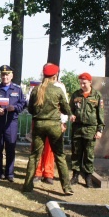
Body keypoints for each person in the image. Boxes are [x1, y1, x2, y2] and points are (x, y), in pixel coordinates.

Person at [22, 63, 74, 195]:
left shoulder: (36, 89)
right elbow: (66, 109)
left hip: (39, 125)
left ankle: (27, 186)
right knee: (60, 156)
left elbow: (30, 109)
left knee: (34, 156)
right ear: (55, 75)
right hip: (54, 126)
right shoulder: (58, 90)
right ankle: (67, 188)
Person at [0, 65, 26, 182]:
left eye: (7, 74)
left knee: (10, 147)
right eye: (3, 74)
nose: (5, 77)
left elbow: (23, 103)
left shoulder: (17, 89)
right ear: (1, 76)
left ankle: (9, 173)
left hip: (11, 122)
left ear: (11, 75)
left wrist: (14, 108)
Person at [69, 72, 104, 188]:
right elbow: (70, 109)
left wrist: (100, 130)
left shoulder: (96, 95)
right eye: (80, 83)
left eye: (84, 83)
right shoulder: (75, 95)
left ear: (90, 82)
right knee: (76, 153)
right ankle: (75, 176)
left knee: (89, 154)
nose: (82, 85)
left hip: (90, 129)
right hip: (77, 128)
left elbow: (100, 114)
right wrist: (71, 115)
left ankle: (88, 178)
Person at [34, 69, 69, 185]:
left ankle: (48, 173)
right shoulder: (37, 87)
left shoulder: (60, 87)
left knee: (50, 148)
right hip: (40, 120)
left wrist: (63, 122)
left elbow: (65, 105)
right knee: (37, 149)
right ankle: (37, 172)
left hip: (55, 121)